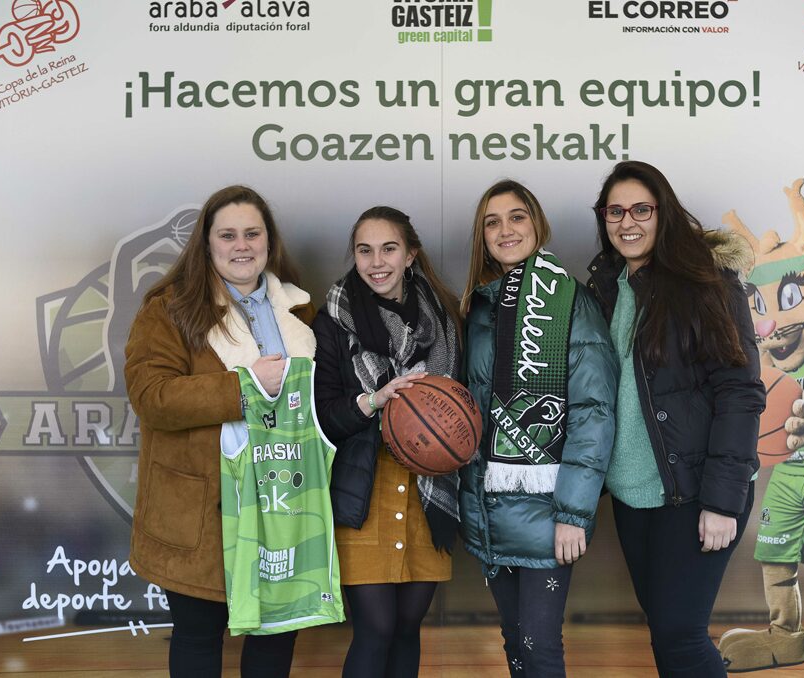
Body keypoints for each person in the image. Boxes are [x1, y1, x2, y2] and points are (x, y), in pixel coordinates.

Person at [125, 185, 316, 678]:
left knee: (276, 634)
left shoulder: (299, 310)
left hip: (283, 504)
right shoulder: (169, 310)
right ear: (206, 244)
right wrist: (243, 388)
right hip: (202, 509)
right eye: (227, 235)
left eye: (252, 233)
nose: (241, 245)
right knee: (197, 635)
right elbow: (153, 397)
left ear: (269, 242)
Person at [586, 160, 766, 678]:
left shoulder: (705, 281)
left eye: (641, 209)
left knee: (680, 636)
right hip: (633, 495)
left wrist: (721, 501)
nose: (628, 222)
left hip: (692, 491)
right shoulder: (607, 285)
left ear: (664, 212)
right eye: (615, 211)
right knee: (666, 634)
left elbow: (739, 391)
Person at [459, 180, 618, 678]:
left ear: (538, 224)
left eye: (517, 217)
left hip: (549, 513)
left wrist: (573, 513)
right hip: (493, 506)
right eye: (492, 221)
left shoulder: (572, 302)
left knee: (540, 644)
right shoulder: (480, 308)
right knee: (516, 643)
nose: (505, 230)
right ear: (482, 237)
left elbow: (594, 413)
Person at [312, 206, 462, 678]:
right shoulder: (332, 320)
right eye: (364, 250)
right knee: (375, 629)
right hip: (365, 492)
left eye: (389, 248)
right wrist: (374, 401)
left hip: (429, 491)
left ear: (410, 254)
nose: (377, 261)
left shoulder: (445, 316)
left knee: (405, 628)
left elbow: (463, 404)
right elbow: (321, 419)